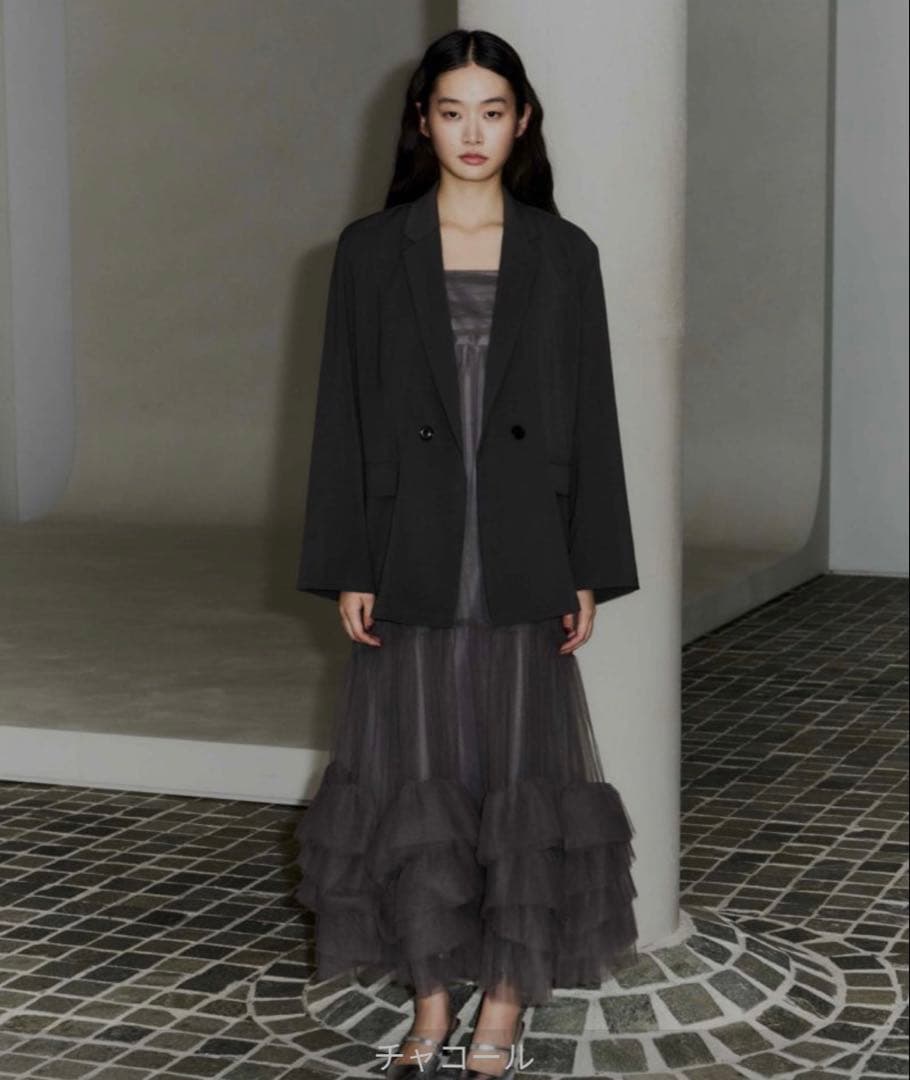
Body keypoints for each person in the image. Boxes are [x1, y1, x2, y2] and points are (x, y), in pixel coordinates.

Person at [293, 28, 640, 1080]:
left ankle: (504, 1003)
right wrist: (352, 562)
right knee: (419, 771)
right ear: (422, 123)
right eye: (452, 112)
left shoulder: (563, 253)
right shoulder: (370, 250)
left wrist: (588, 564)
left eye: (493, 111)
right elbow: (343, 417)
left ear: (522, 121)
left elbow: (592, 416)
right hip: (416, 543)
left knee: (520, 768)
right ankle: (431, 999)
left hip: (525, 542)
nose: (473, 132)